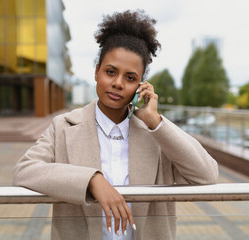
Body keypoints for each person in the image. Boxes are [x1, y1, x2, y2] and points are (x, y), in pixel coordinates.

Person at [13, 9, 218, 240]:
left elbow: (206, 175)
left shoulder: (156, 135)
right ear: (96, 72)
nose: (118, 83)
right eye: (110, 72)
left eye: (130, 78)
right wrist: (92, 181)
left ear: (141, 85)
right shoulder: (63, 126)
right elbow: (24, 171)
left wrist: (155, 122)